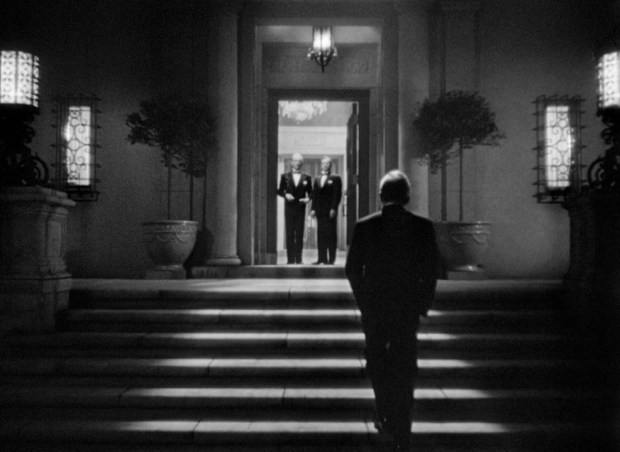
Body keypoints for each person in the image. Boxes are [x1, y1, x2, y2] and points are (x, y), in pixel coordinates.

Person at [345, 170, 439, 451]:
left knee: (376, 360)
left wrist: (364, 302)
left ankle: (384, 412)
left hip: (375, 308)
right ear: (407, 196)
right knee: (405, 364)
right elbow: (431, 270)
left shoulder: (365, 226)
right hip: (406, 308)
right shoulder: (422, 227)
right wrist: (422, 304)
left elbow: (352, 270)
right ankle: (402, 428)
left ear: (381, 196)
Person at [277, 153, 313, 264]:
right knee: (289, 234)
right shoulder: (284, 176)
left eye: (299, 161)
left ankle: (299, 259)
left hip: (301, 209)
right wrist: (286, 195)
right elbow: (279, 191)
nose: (297, 163)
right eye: (295, 161)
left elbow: (311, 193)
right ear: (291, 162)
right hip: (289, 209)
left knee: (299, 234)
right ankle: (290, 260)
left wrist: (307, 199)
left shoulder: (307, 177)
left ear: (302, 163)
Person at [310, 156, 343, 265]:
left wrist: (334, 208)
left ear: (331, 165)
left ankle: (331, 259)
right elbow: (315, 195)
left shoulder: (336, 178)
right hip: (320, 211)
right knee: (321, 235)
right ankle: (321, 258)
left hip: (330, 211)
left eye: (328, 163)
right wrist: (313, 209)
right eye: (324, 163)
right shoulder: (317, 178)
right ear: (321, 164)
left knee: (331, 235)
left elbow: (337, 194)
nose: (325, 165)